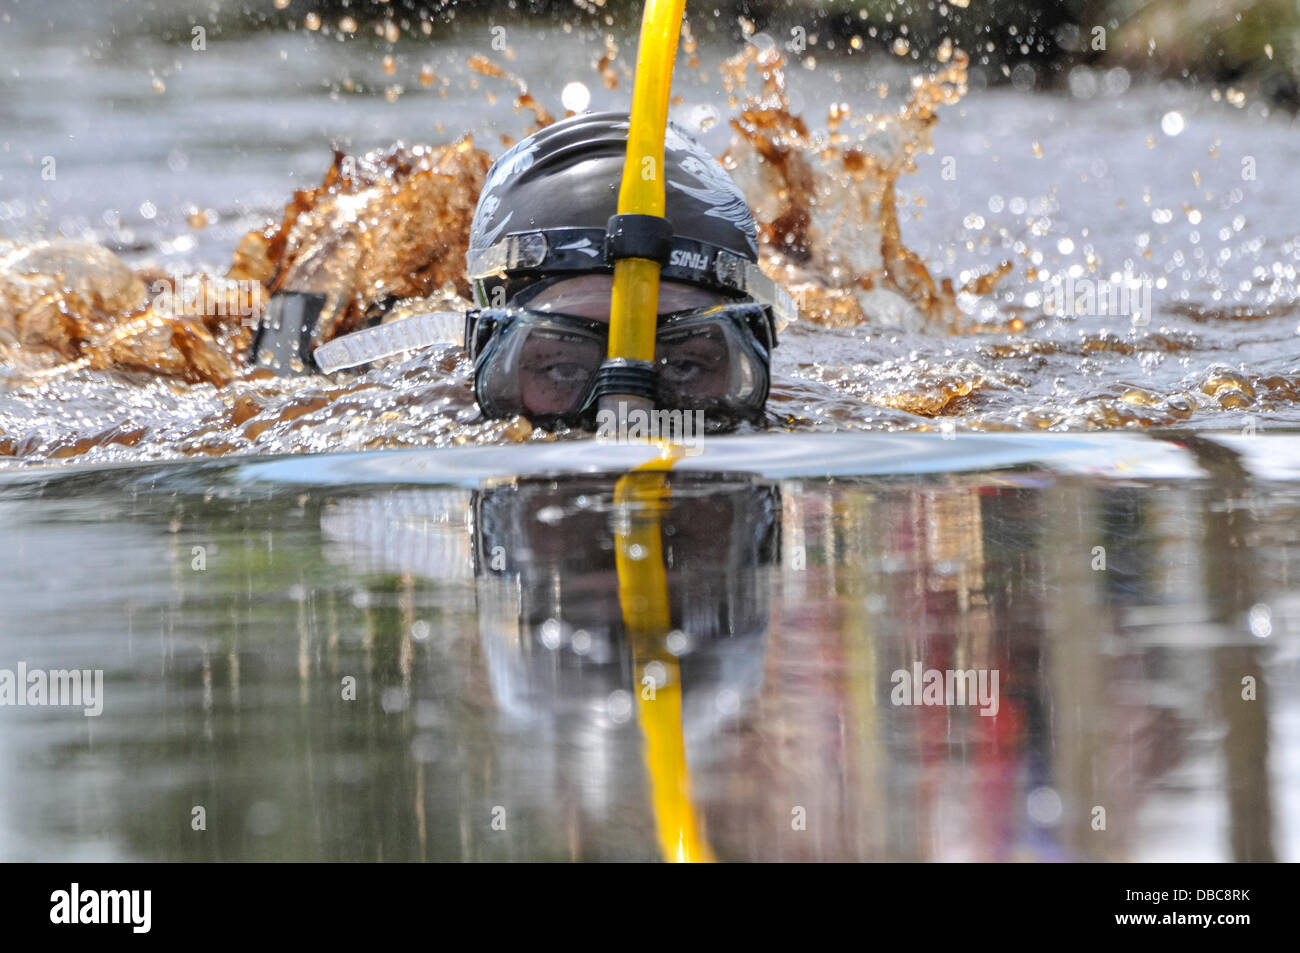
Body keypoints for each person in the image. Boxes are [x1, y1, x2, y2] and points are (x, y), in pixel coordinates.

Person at [290, 111, 798, 428]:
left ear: (752, 350)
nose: (622, 424)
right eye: (560, 366)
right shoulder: (394, 410)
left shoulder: (829, 408)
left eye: (686, 362)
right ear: (486, 348)